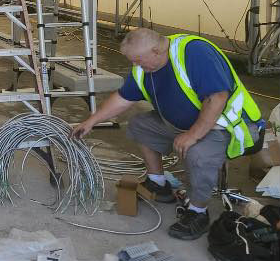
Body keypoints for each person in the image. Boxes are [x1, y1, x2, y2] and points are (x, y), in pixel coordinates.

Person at [70, 28, 262, 240]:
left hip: (226, 126)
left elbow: (217, 97)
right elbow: (124, 98)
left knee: (196, 154)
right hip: (184, 125)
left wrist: (193, 135)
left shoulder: (194, 52)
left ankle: (198, 213)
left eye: (138, 60)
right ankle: (158, 183)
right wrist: (91, 121)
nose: (136, 65)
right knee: (140, 125)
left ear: (156, 51)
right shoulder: (145, 66)